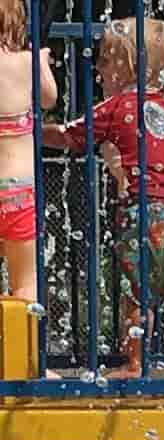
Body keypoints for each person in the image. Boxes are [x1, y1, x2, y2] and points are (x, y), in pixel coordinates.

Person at [43, 17, 164, 377]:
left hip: (142, 213)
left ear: (125, 65)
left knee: (136, 292)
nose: (97, 68)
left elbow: (69, 135)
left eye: (104, 60)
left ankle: (135, 363)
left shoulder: (115, 107)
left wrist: (31, 129)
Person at [0, 0, 57, 302]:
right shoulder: (27, 61)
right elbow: (49, 99)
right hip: (20, 192)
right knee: (26, 281)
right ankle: (26, 348)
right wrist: (41, 61)